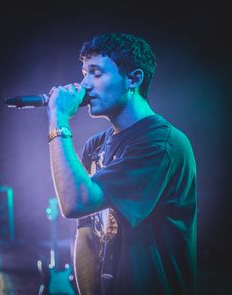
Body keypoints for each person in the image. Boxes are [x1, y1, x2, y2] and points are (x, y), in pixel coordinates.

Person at [47, 32, 197, 295]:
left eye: (96, 73)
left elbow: (74, 202)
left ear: (133, 78)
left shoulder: (161, 143)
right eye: (83, 73)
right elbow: (87, 234)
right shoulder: (94, 146)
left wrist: (58, 122)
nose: (84, 85)